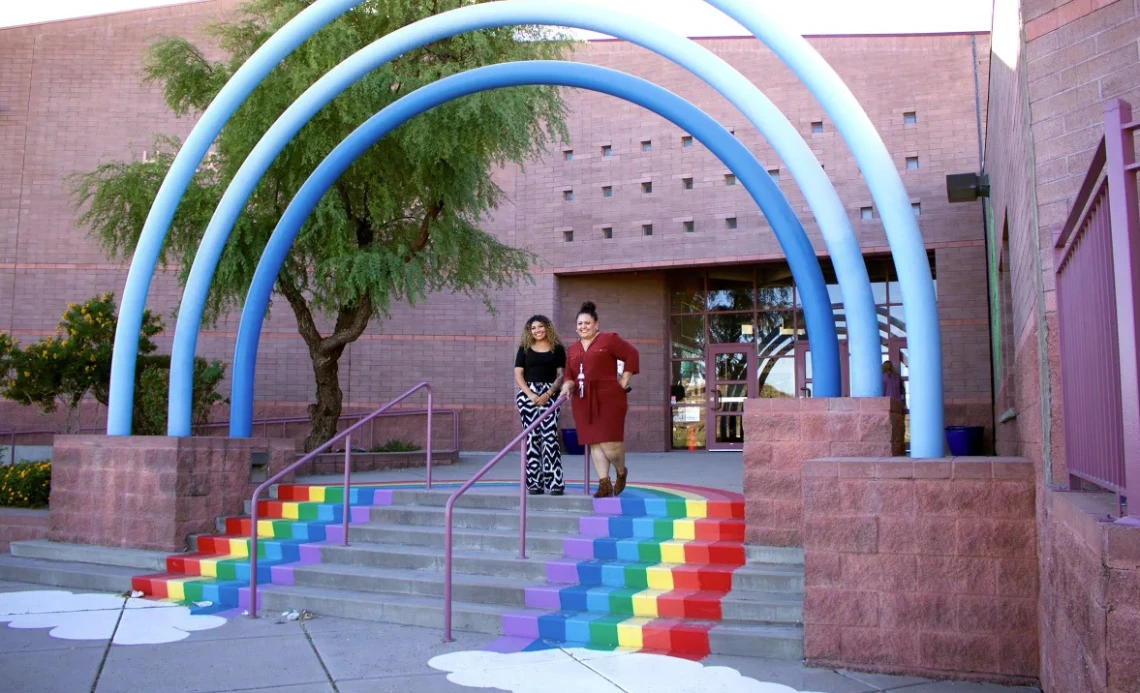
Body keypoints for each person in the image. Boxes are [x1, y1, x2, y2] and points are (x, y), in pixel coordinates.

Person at [560, 301, 640, 498]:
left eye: (587, 323)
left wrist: (624, 380)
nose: (583, 327)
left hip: (609, 397)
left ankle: (621, 472)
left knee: (611, 446)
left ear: (596, 324)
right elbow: (569, 375)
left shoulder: (608, 340)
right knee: (594, 442)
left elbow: (631, 354)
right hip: (583, 399)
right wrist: (567, 385)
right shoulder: (572, 350)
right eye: (580, 323)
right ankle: (604, 483)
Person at [514, 315, 567, 495]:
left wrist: (547, 394)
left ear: (547, 328)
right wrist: (530, 395)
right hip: (527, 396)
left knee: (550, 438)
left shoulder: (557, 349)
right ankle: (534, 483)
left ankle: (555, 482)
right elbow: (518, 375)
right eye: (533, 328)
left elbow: (561, 376)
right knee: (532, 438)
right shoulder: (524, 349)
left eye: (540, 326)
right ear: (529, 331)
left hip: (550, 395)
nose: (537, 330)